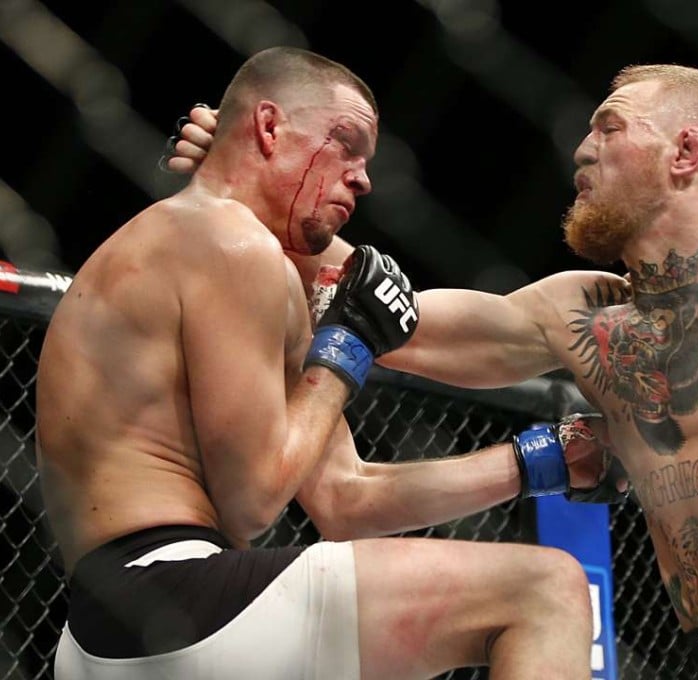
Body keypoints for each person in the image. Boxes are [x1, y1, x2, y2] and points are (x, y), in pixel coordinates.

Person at [167, 62, 698, 679]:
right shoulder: (577, 312)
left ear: (685, 152)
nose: (581, 150)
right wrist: (250, 185)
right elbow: (383, 309)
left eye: (610, 128)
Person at [36, 46, 631, 680]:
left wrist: (543, 459)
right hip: (174, 590)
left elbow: (348, 499)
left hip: (108, 632)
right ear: (269, 127)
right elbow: (252, 503)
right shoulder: (228, 239)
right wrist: (344, 348)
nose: (364, 179)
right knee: (546, 591)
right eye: (346, 146)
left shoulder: (217, 257)